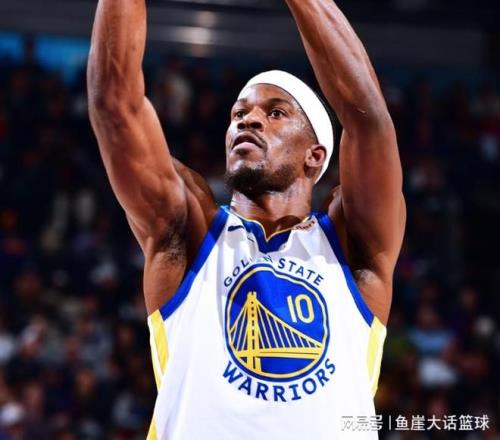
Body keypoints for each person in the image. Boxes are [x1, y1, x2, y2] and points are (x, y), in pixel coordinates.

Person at [87, 0, 405, 438]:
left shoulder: (352, 246)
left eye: (275, 113)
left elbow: (369, 120)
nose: (249, 120)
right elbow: (115, 107)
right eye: (239, 113)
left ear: (315, 156)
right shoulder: (190, 232)